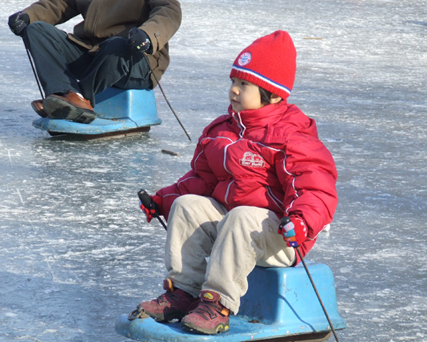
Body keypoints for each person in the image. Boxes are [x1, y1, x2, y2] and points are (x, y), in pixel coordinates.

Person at [137, 30, 338, 335]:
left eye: (244, 84)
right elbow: (200, 180)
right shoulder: (223, 131)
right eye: (233, 81)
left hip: (280, 235)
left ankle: (217, 303)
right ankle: (183, 292)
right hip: (233, 226)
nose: (233, 90)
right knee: (188, 206)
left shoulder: (290, 134)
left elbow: (315, 186)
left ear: (271, 93)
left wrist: (301, 221)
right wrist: (163, 200)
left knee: (243, 216)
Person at [8, 0, 181, 124]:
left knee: (117, 45)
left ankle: (79, 100)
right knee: (37, 30)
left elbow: (169, 11)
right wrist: (28, 16)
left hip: (134, 57)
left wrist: (148, 35)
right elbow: (60, 4)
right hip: (92, 52)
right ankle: (62, 97)